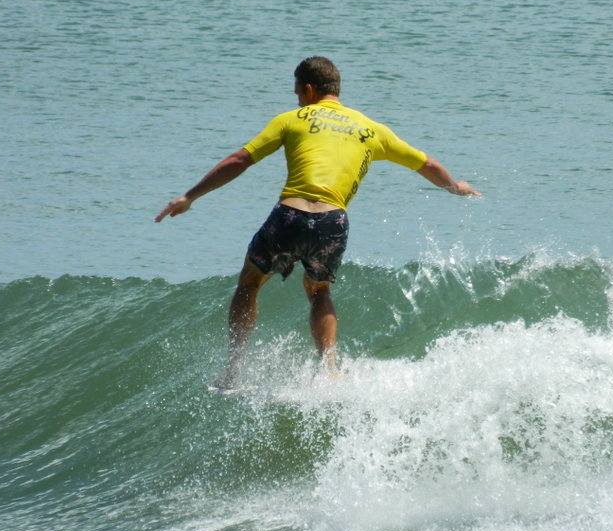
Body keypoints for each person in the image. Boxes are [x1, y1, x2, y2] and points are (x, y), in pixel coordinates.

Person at [155, 56, 480, 389]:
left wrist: (190, 196)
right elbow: (425, 163)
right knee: (319, 290)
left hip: (290, 216)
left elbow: (240, 159)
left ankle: (233, 371)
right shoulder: (372, 130)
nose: (297, 99)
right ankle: (328, 370)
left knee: (250, 283)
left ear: (309, 90)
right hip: (332, 222)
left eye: (297, 93)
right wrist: (455, 186)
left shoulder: (292, 119)